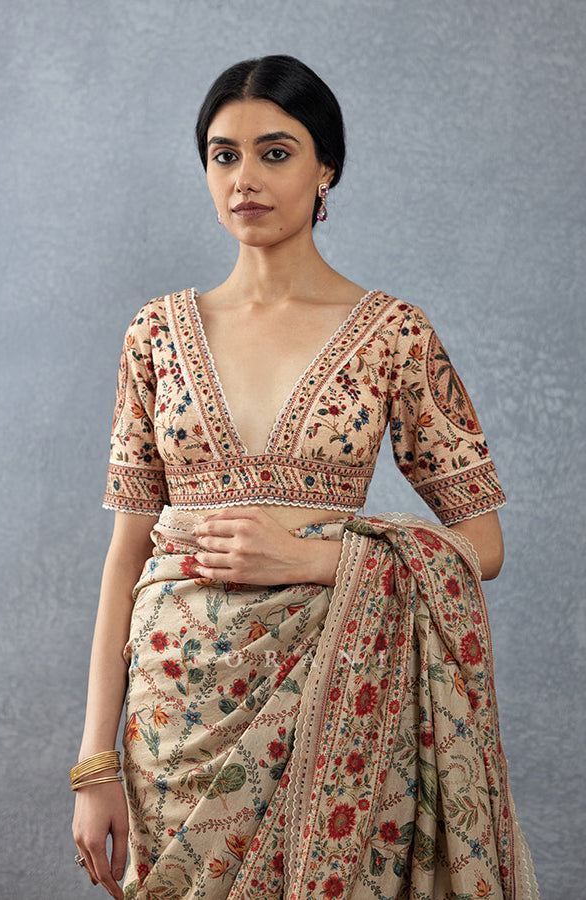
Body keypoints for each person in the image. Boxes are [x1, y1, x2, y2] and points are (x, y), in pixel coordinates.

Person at [72, 55, 538, 899]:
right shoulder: (155, 335)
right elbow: (125, 555)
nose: (244, 178)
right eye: (224, 155)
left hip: (339, 703)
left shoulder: (393, 335)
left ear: (327, 168)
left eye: (275, 152)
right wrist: (93, 764)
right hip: (170, 728)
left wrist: (319, 560)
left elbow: (484, 543)